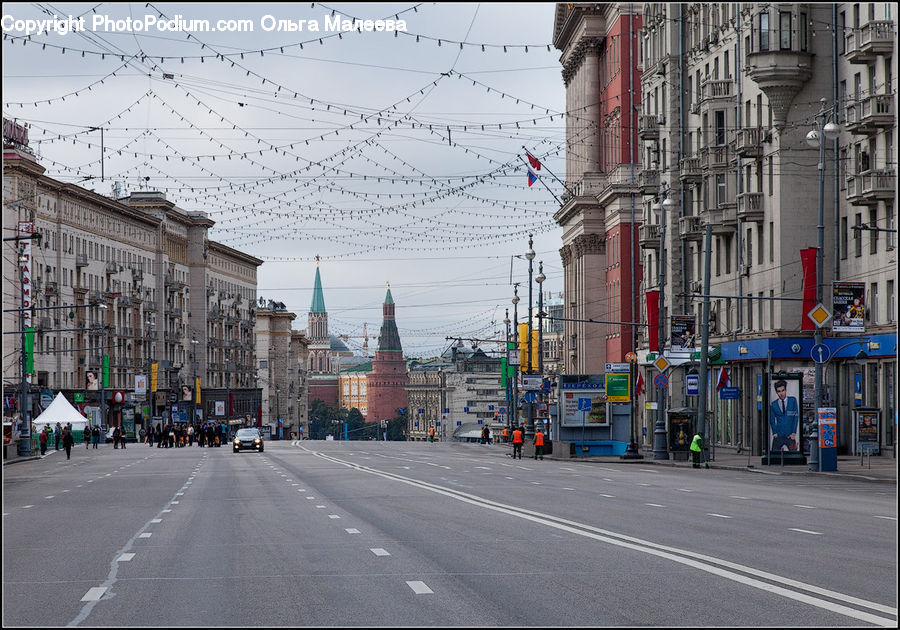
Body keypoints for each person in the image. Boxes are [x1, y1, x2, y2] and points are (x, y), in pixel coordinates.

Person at [769, 379, 799, 452]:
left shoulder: (792, 401)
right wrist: (775, 433)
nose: (781, 393)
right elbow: (772, 419)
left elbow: (795, 417)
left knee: (794, 453)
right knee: (774, 454)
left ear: (786, 390)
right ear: (776, 392)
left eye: (783, 390)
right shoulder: (774, 404)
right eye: (779, 391)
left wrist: (793, 433)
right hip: (779, 435)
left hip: (790, 435)